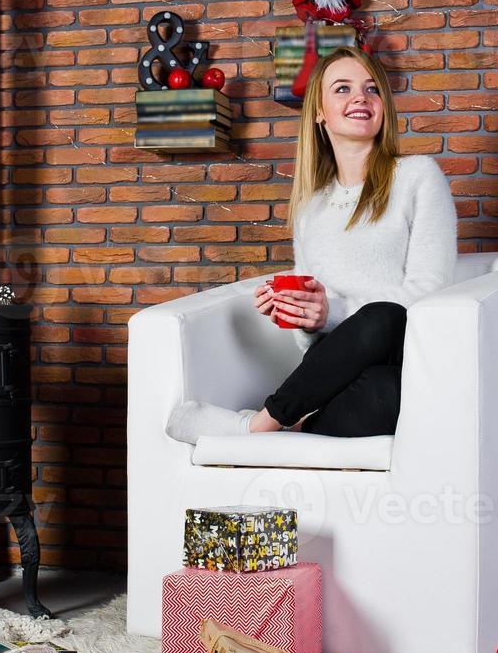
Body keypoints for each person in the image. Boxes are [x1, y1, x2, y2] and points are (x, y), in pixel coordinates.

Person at [166, 46, 457, 443]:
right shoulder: (310, 209)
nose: (361, 97)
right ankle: (303, 425)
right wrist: (297, 316)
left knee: (383, 318)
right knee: (382, 389)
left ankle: (259, 425)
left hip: (410, 348)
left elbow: (430, 292)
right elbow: (313, 337)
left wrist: (332, 311)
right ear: (319, 112)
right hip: (342, 373)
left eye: (372, 89)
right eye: (343, 88)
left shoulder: (418, 177)